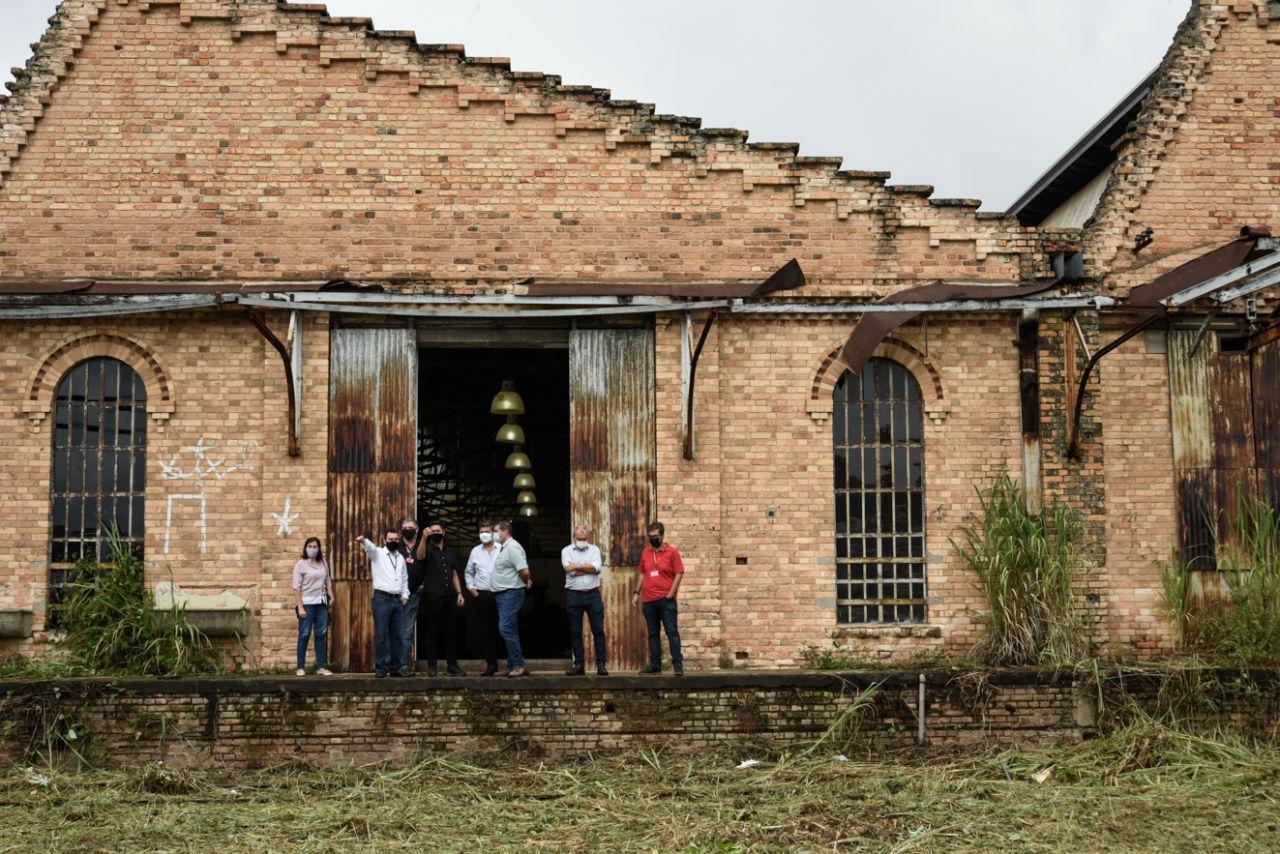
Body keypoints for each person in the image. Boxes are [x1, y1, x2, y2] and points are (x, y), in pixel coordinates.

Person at [632, 521, 684, 676]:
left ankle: (678, 666)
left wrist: (670, 595)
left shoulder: (672, 552)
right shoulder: (646, 553)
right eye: (650, 536)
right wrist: (636, 592)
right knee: (653, 634)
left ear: (662, 535)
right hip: (649, 600)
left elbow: (679, 573)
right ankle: (655, 665)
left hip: (666, 600)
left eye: (655, 536)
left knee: (671, 632)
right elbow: (642, 573)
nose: (653, 539)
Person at [416, 521, 466, 677]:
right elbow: (419, 555)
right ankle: (432, 666)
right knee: (432, 632)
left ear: (443, 532)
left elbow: (454, 574)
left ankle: (452, 666)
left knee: (451, 632)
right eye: (433, 531)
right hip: (433, 596)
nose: (435, 533)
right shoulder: (427, 548)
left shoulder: (450, 551)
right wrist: (423, 538)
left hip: (450, 596)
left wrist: (459, 593)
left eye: (438, 530)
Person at [358, 528, 410, 678]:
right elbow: (370, 549)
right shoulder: (378, 554)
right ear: (384, 539)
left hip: (397, 601)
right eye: (390, 539)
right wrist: (363, 541)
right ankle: (381, 668)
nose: (393, 541)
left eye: (395, 539)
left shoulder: (401, 558)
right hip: (382, 599)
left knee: (398, 636)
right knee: (381, 636)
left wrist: (405, 595)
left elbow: (405, 578)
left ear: (398, 540)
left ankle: (395, 668)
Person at [561, 525, 607, 676]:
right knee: (575, 631)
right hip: (573, 595)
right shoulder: (566, 551)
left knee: (598, 630)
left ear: (588, 538)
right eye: (579, 539)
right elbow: (568, 570)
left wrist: (577, 567)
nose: (582, 541)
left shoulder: (594, 550)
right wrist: (587, 568)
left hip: (593, 595)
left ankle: (601, 665)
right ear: (574, 538)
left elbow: (597, 568)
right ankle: (579, 665)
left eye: (584, 539)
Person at [490, 519, 533, 678]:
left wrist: (524, 581)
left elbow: (525, 571)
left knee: (506, 628)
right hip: (503, 594)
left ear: (505, 532)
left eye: (496, 531)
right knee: (510, 629)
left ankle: (518, 665)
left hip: (511, 594)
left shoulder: (513, 547)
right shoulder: (504, 548)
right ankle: (512, 665)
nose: (493, 534)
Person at [464, 519, 505, 677]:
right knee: (486, 631)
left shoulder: (502, 549)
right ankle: (491, 665)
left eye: (487, 532)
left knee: (503, 629)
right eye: (481, 532)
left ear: (493, 533)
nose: (484, 535)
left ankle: (509, 663)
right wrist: (472, 589)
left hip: (501, 595)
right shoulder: (475, 551)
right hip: (482, 596)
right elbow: (469, 572)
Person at [292, 536, 335, 676]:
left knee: (321, 634)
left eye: (315, 547)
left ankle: (321, 667)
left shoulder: (323, 563)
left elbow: (327, 581)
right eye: (309, 546)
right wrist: (300, 607)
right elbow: (296, 587)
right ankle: (300, 667)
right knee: (304, 634)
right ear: (305, 548)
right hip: (307, 604)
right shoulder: (300, 565)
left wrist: (331, 596)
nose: (312, 549)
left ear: (318, 548)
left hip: (321, 603)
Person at [399, 516, 423, 673]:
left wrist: (424, 584)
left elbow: (430, 565)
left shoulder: (423, 545)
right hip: (397, 596)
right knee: (393, 632)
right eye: (405, 528)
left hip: (414, 595)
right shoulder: (396, 546)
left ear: (417, 530)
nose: (408, 530)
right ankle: (390, 665)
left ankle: (402, 666)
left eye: (410, 527)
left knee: (407, 632)